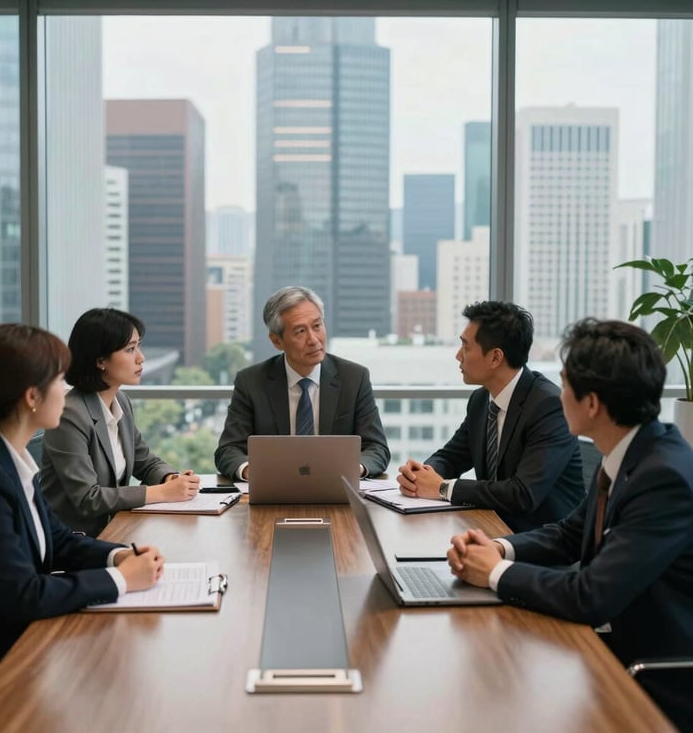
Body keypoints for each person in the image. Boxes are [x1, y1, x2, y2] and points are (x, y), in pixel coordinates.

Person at [447, 319, 693, 731]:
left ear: (592, 404)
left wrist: (494, 572)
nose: (557, 396)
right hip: (611, 650)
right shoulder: (632, 452)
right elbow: (567, 534)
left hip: (654, 680)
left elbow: (591, 595)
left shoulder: (662, 478)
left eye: (564, 385)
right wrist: (498, 548)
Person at [0, 324, 164, 731]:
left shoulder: (8, 460)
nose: (66, 389)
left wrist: (118, 554)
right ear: (31, 397)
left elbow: (57, 538)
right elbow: (24, 594)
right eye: (58, 379)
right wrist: (120, 580)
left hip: (21, 646)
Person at [397, 301, 583, 532]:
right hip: (489, 529)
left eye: (465, 347)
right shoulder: (481, 400)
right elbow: (452, 456)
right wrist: (421, 476)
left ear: (495, 358)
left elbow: (522, 494)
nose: (458, 356)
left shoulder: (549, 406)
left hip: (542, 545)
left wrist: (443, 488)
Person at [40, 308, 200, 537]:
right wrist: (163, 493)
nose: (141, 358)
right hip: (76, 542)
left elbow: (145, 462)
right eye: (130, 349)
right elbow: (88, 498)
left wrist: (170, 479)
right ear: (100, 360)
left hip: (116, 529)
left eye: (138, 346)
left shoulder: (120, 401)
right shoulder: (69, 415)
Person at [215, 285, 390, 480]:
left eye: (317, 326)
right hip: (274, 492)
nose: (314, 340)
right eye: (300, 331)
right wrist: (252, 472)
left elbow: (377, 448)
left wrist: (353, 469)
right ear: (276, 341)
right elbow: (228, 450)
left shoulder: (354, 378)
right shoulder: (251, 382)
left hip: (336, 491)